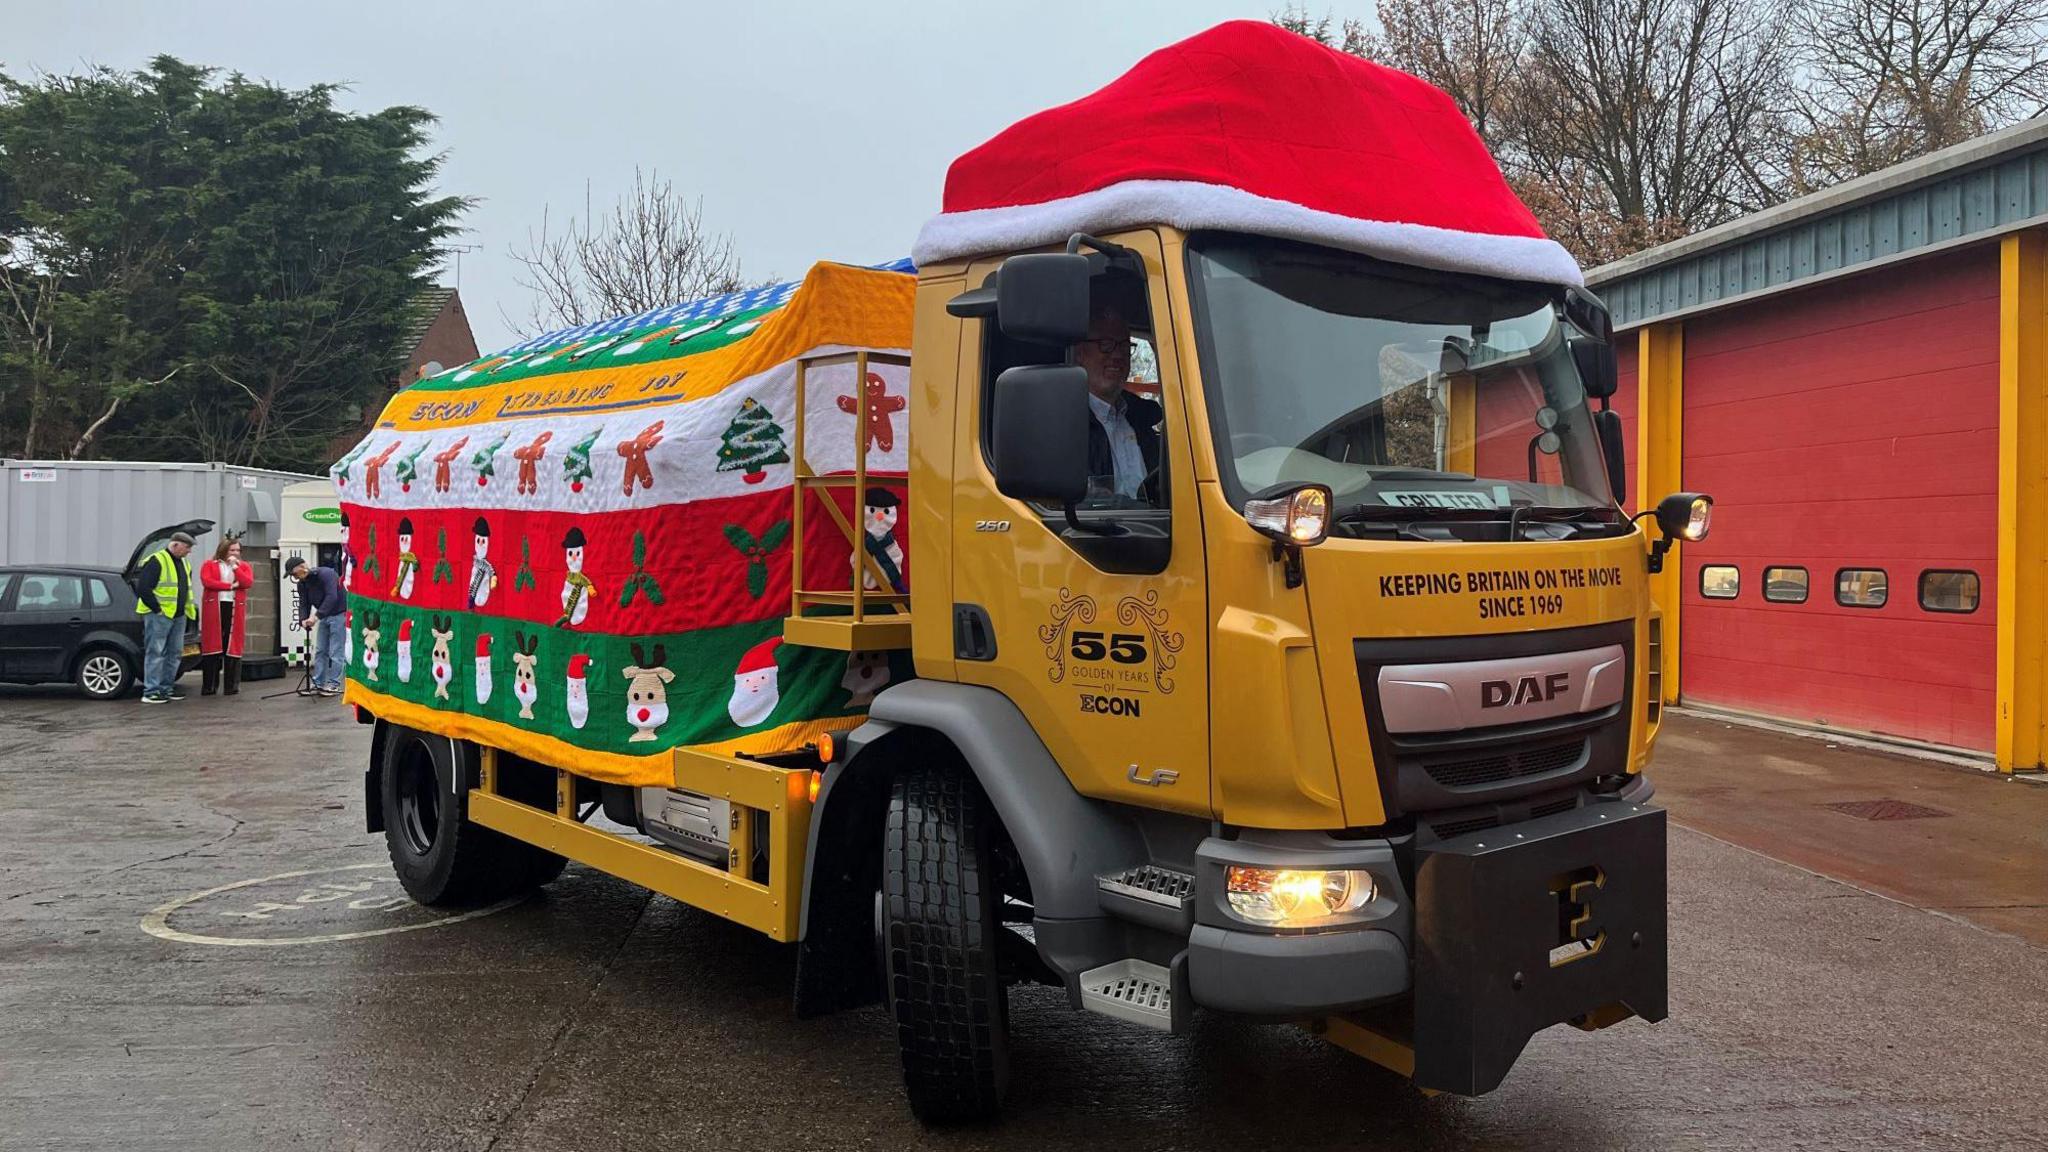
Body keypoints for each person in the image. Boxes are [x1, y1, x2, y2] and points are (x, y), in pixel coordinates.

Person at [1076, 304, 1163, 504]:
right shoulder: (1064, 423)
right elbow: (1085, 504)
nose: (1117, 356)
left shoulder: (1142, 419)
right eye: (1105, 344)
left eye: (1124, 346)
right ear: (1079, 352)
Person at [134, 531, 198, 704]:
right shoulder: (157, 561)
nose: (189, 552)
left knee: (175, 653)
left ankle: (166, 688)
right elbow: (144, 589)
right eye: (187, 548)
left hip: (178, 615)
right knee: (156, 652)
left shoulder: (184, 563)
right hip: (159, 615)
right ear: (175, 545)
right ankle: (151, 691)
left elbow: (186, 588)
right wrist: (157, 609)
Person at [284, 555, 348, 697]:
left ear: (302, 567)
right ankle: (318, 683)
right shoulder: (302, 583)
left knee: (336, 651)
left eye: (294, 573)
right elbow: (303, 603)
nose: (294, 577)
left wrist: (316, 616)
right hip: (324, 616)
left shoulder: (327, 574)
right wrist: (303, 619)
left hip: (339, 614)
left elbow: (332, 597)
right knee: (320, 650)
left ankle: (334, 684)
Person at [198, 537, 255, 696]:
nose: (235, 553)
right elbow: (208, 581)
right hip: (215, 606)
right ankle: (209, 686)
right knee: (213, 645)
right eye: (232, 550)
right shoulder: (209, 564)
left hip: (234, 606)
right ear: (223, 550)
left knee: (232, 645)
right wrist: (229, 586)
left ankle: (231, 686)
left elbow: (247, 582)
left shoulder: (243, 566)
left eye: (238, 550)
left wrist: (235, 568)